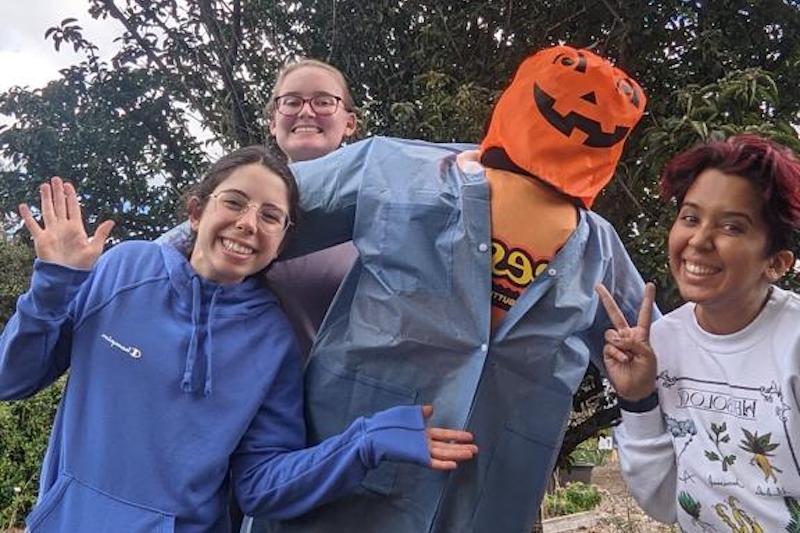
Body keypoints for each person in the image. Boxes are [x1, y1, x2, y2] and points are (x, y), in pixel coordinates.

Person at [239, 45, 653, 532]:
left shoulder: (597, 249)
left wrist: (645, 395)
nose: (587, 106)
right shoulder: (392, 171)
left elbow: (664, 356)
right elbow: (226, 227)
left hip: (482, 504)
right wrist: (134, 272)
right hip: (336, 492)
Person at [0, 147, 477, 533]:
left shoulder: (273, 340)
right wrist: (55, 283)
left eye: (271, 216)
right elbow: (12, 377)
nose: (249, 223)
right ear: (196, 211)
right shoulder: (126, 269)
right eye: (234, 202)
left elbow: (259, 484)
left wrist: (363, 443)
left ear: (282, 240)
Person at [597, 134, 800, 531]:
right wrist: (637, 399)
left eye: (731, 227)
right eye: (690, 218)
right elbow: (664, 501)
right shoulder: (664, 341)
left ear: (775, 263)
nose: (699, 240)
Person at [159, 58, 359, 357]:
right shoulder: (230, 211)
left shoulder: (375, 209)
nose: (306, 111)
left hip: (344, 396)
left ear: (350, 123)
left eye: (323, 101)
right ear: (272, 121)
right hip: (238, 388)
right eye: (291, 102)